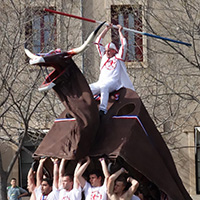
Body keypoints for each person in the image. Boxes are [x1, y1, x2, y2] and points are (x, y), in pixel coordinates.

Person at [90, 24, 135, 115]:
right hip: (101, 82)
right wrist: (106, 29)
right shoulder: (104, 57)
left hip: (113, 82)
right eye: (106, 50)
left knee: (104, 87)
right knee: (88, 88)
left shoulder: (118, 58)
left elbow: (124, 44)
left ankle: (103, 109)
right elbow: (97, 42)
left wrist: (120, 31)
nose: (107, 52)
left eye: (109, 50)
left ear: (114, 51)